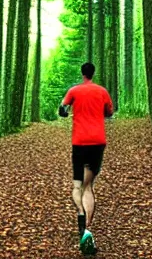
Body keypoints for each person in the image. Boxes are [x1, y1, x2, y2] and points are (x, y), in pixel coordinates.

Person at [59, 62, 113, 255]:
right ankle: (87, 230)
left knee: (77, 186)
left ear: (82, 73)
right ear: (93, 73)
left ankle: (81, 218)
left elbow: (62, 110)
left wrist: (65, 112)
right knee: (88, 187)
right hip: (97, 142)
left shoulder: (73, 91)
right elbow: (109, 112)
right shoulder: (102, 91)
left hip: (79, 142)